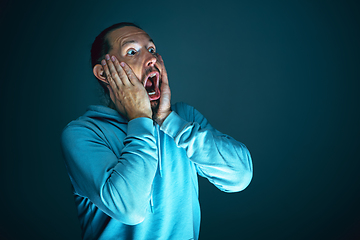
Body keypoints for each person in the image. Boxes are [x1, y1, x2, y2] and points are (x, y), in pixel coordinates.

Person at [61, 22, 253, 240]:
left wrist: (168, 120)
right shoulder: (83, 133)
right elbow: (129, 209)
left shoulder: (183, 118)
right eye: (132, 51)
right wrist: (139, 119)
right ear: (104, 73)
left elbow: (240, 175)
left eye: (151, 49)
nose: (151, 58)